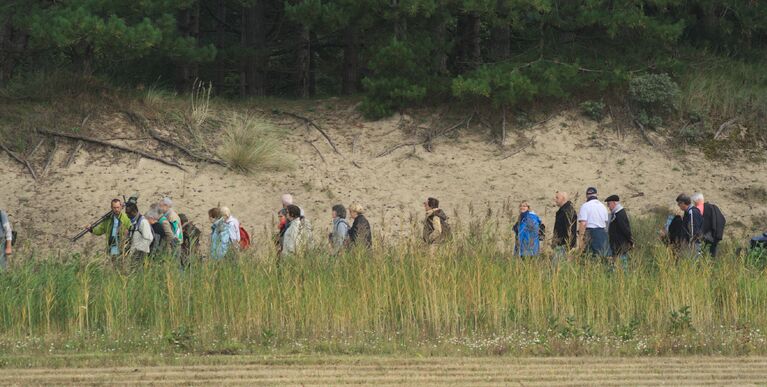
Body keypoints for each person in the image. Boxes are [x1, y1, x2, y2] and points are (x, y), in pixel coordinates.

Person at [578, 187, 610, 258]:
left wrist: (581, 239)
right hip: (602, 234)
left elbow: (583, 223)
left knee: (589, 258)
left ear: (586, 195)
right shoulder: (603, 206)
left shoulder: (585, 206)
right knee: (603, 257)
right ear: (596, 195)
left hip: (590, 234)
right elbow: (606, 222)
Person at [692, 192, 726, 257]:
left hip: (707, 237)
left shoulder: (700, 208)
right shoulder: (714, 207)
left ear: (697, 201)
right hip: (716, 236)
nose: (694, 204)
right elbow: (723, 220)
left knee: (704, 256)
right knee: (712, 256)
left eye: (694, 202)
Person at [606, 195, 633, 270]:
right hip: (617, 244)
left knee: (622, 265)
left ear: (614, 203)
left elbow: (625, 229)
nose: (608, 206)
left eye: (609, 204)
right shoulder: (616, 213)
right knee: (617, 264)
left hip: (621, 244)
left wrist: (630, 240)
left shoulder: (620, 213)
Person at [125, 202, 153, 268]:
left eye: (128, 213)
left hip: (140, 255)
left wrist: (139, 251)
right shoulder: (133, 221)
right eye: (126, 213)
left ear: (134, 212)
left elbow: (149, 238)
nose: (127, 215)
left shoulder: (143, 222)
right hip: (134, 253)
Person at [552, 191, 578, 263]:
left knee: (557, 267)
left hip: (564, 245)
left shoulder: (567, 211)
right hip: (560, 244)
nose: (555, 199)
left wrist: (569, 246)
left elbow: (570, 229)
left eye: (557, 198)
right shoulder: (562, 210)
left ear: (563, 199)